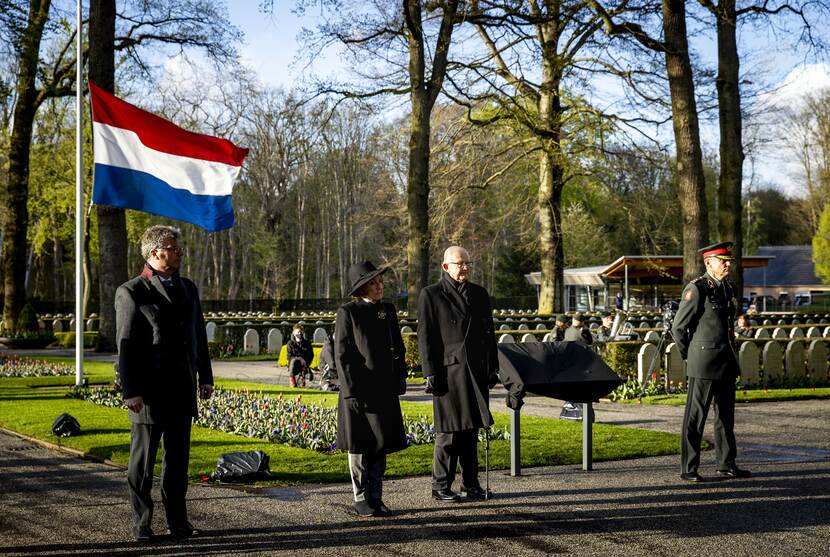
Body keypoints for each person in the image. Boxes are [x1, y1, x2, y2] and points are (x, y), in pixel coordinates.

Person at [115, 225, 213, 542]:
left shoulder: (188, 288)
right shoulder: (132, 291)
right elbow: (126, 344)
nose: (179, 251)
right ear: (155, 253)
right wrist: (130, 390)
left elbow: (198, 335)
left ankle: (178, 523)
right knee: (141, 467)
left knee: (177, 465)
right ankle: (142, 524)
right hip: (149, 394)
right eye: (173, 247)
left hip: (182, 390)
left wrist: (205, 377)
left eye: (179, 247)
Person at [418, 246, 498, 503]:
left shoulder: (479, 294)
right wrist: (430, 372)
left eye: (467, 263)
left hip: (474, 371)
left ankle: (470, 485)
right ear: (445, 267)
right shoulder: (431, 295)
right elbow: (426, 337)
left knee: (471, 431)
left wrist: (492, 366)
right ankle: (440, 485)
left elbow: (489, 334)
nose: (464, 267)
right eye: (459, 263)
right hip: (448, 373)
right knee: (449, 433)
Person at [671, 241, 751, 483]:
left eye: (729, 261)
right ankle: (689, 468)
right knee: (695, 418)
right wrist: (690, 356)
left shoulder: (727, 287)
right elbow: (678, 327)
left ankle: (726, 463)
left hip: (725, 360)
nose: (727, 265)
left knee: (726, 417)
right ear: (709, 263)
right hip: (703, 362)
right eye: (723, 261)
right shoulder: (697, 289)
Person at [335, 261, 408, 517]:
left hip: (384, 388)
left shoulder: (387, 310)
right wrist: (350, 391)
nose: (380, 286)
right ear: (361, 288)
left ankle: (377, 495)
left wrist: (400, 376)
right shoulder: (349, 313)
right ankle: (361, 497)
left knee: (381, 443)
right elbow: (342, 355)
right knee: (360, 445)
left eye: (380, 281)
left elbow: (398, 347)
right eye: (373, 282)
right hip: (359, 390)